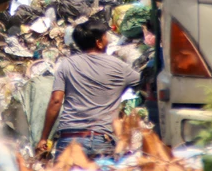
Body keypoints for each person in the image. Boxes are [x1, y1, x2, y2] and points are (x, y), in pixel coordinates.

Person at [36, 18, 141, 160]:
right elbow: (145, 84)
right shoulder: (119, 67)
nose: (109, 40)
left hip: (69, 139)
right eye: (106, 36)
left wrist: (44, 137)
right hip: (101, 139)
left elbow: (56, 101)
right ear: (99, 43)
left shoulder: (66, 65)